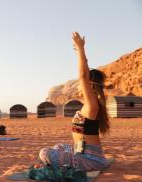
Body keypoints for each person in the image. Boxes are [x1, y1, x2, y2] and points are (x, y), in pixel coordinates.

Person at [35, 32, 110, 172]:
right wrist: (82, 56)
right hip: (81, 151)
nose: (80, 85)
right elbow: (85, 74)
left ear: (90, 85)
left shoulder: (92, 106)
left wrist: (81, 49)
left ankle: (53, 164)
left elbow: (83, 75)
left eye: (84, 84)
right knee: (59, 147)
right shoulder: (90, 105)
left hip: (90, 159)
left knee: (44, 152)